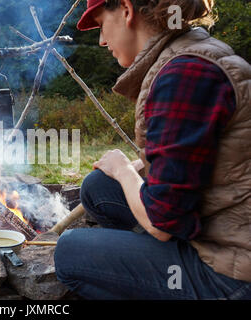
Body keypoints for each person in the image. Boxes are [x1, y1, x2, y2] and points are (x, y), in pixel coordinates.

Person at [54, 0, 251, 299]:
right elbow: (199, 151)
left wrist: (122, 168)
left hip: (231, 274)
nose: (102, 40)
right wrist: (142, 167)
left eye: (101, 25)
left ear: (126, 10)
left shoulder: (183, 74)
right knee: (99, 187)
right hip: (224, 233)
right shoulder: (192, 56)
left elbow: (162, 224)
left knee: (69, 252)